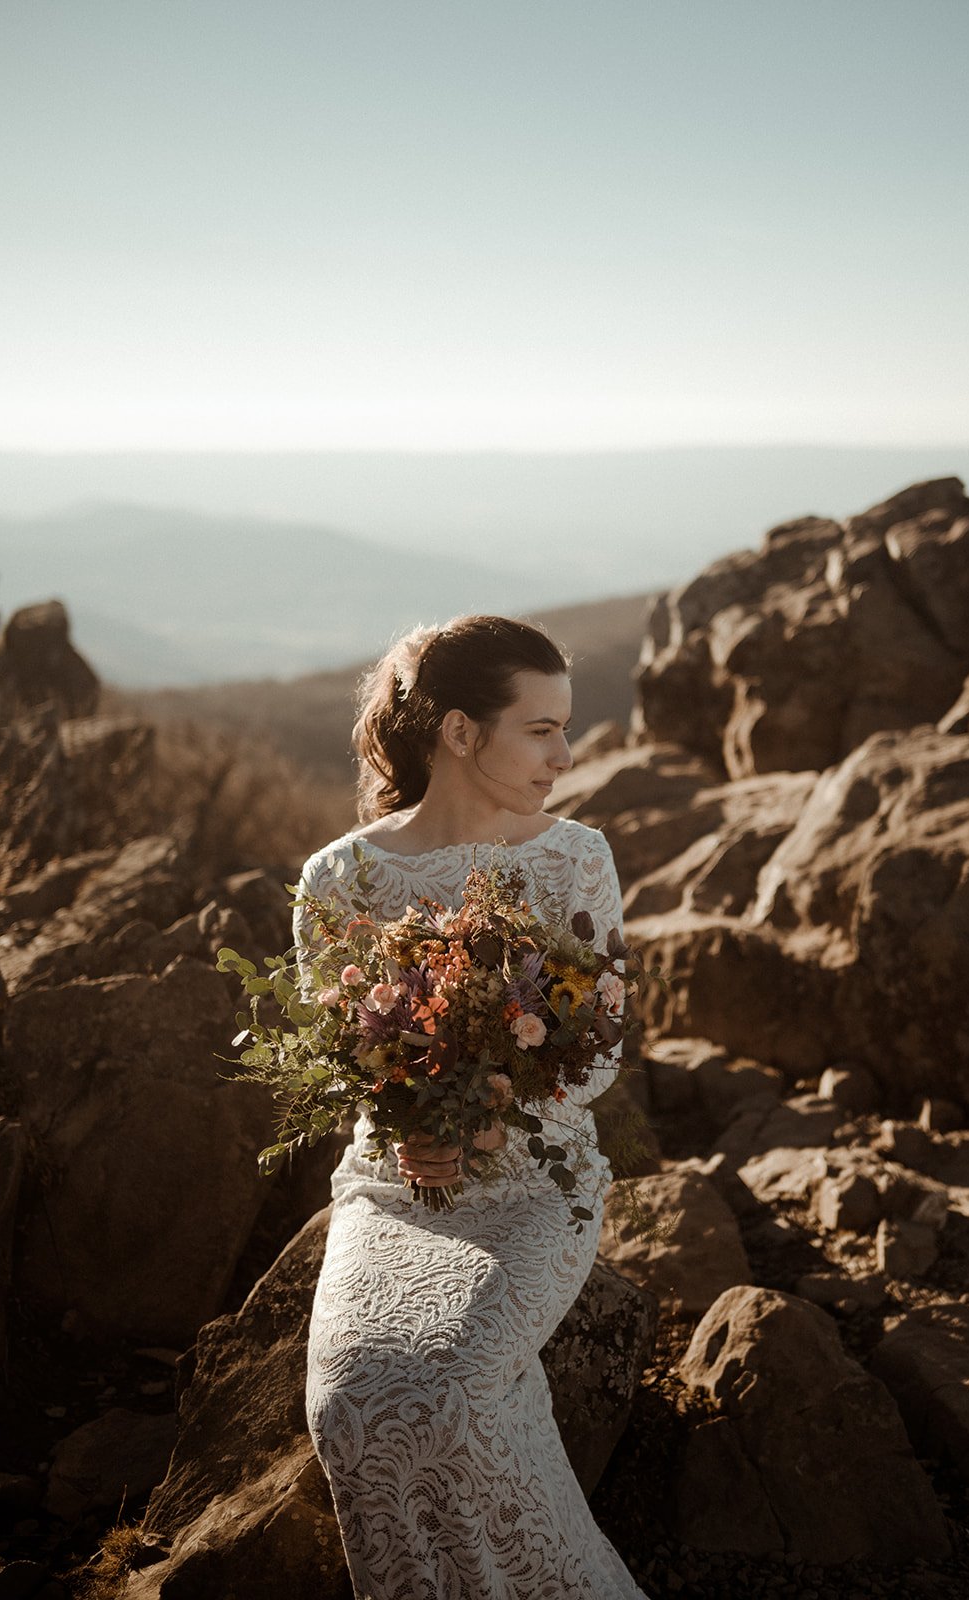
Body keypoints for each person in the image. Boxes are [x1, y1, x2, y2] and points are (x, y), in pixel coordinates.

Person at [295, 614, 648, 1600]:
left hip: (537, 1183)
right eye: (538, 728)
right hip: (394, 1191)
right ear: (459, 731)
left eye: (563, 728)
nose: (563, 754)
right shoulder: (338, 877)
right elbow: (344, 1052)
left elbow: (596, 1044)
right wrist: (411, 1122)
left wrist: (502, 1103)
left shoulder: (572, 857)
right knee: (349, 1408)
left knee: (448, 1396)